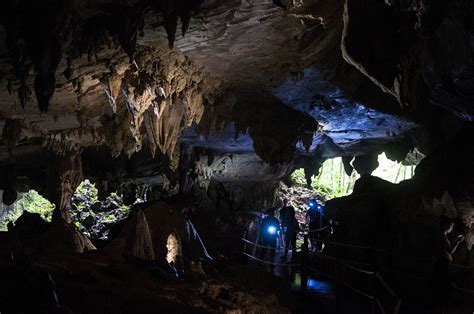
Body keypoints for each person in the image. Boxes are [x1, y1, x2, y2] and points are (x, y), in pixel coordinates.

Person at [434, 215, 464, 313]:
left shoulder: (443, 236)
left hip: (444, 264)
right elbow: (450, 251)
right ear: (446, 225)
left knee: (444, 286)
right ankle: (441, 308)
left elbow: (450, 251)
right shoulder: (442, 236)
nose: (451, 228)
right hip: (443, 265)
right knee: (444, 287)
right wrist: (458, 241)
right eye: (451, 225)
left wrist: (456, 241)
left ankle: (441, 307)